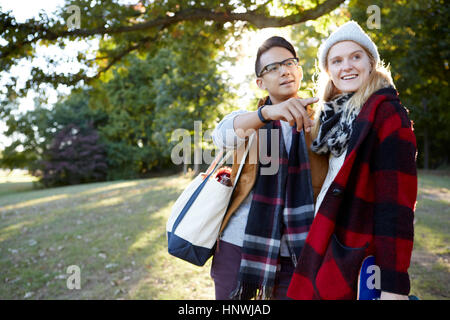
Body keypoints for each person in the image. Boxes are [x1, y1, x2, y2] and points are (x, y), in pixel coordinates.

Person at [287, 21, 417, 300]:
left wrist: (393, 287)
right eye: (337, 60)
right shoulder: (328, 119)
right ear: (329, 71)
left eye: (355, 57)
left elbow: (396, 207)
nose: (347, 66)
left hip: (360, 253)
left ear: (370, 63)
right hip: (324, 239)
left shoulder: (388, 114)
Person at [210, 36, 329, 300]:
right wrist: (268, 114)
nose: (284, 70)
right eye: (273, 67)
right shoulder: (251, 121)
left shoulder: (322, 120)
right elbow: (221, 136)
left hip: (300, 253)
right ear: (260, 83)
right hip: (240, 249)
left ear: (299, 69)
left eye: (289, 63)